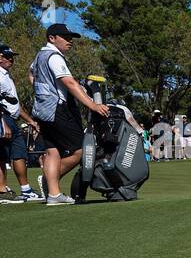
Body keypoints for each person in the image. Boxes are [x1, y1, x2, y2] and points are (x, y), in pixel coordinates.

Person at [29, 24, 110, 205]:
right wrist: (93, 105)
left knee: (53, 152)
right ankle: (50, 181)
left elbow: (31, 74)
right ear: (52, 38)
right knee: (81, 150)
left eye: (70, 37)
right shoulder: (55, 57)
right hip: (57, 109)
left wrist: (43, 91)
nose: (69, 40)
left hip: (42, 110)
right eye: (65, 37)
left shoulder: (40, 55)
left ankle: (54, 195)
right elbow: (70, 83)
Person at [0, 43, 44, 202]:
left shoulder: (6, 75)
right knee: (2, 155)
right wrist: (2, 123)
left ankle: (25, 190)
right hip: (3, 118)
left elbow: (15, 105)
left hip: (11, 118)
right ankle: (2, 190)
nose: (10, 59)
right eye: (6, 56)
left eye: (11, 56)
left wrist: (30, 120)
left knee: (18, 154)